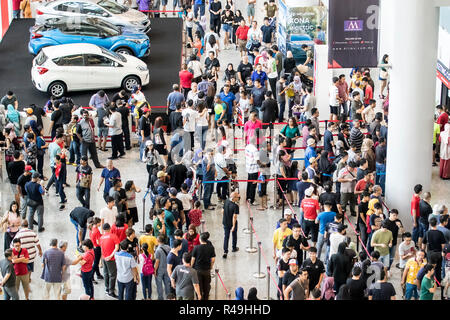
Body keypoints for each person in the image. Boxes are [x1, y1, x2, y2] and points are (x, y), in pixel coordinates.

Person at [191, 232, 215, 300]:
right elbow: (213, 259)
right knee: (206, 286)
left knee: (199, 286)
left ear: (200, 239)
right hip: (207, 270)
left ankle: (199, 298)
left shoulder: (196, 248)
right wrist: (211, 266)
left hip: (198, 270)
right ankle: (206, 298)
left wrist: (191, 267)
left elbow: (193, 259)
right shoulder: (211, 247)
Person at [99, 223, 120, 298]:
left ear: (103, 230)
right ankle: (111, 291)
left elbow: (101, 249)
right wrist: (111, 255)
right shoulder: (113, 236)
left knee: (105, 273)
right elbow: (117, 247)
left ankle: (107, 288)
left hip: (104, 258)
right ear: (110, 228)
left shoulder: (101, 238)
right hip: (110, 259)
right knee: (113, 275)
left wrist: (101, 260)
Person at [222, 191, 240, 258]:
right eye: (237, 197)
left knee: (226, 236)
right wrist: (234, 226)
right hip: (232, 223)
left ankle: (225, 251)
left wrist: (225, 217)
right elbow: (234, 217)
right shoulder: (235, 206)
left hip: (225, 222)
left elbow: (222, 211)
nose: (238, 198)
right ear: (234, 198)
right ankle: (234, 248)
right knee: (234, 235)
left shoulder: (226, 201)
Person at [154, 235, 171, 300]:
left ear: (158, 241)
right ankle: (169, 297)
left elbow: (157, 261)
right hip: (167, 268)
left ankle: (160, 298)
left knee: (159, 285)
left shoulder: (158, 250)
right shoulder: (168, 247)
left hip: (160, 269)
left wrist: (155, 270)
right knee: (167, 284)